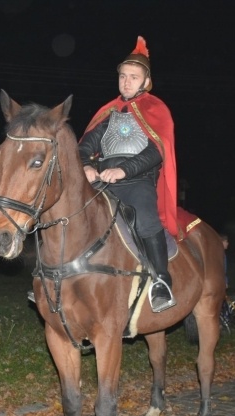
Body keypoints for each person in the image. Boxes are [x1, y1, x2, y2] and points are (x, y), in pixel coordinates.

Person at [78, 36, 179, 313]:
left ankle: (161, 281)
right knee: (70, 211)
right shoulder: (108, 113)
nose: (126, 82)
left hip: (137, 182)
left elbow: (157, 151)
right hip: (102, 182)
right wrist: (86, 165)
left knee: (146, 218)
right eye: (123, 76)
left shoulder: (156, 109)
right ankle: (55, 274)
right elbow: (85, 145)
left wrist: (124, 170)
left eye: (133, 77)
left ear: (146, 81)